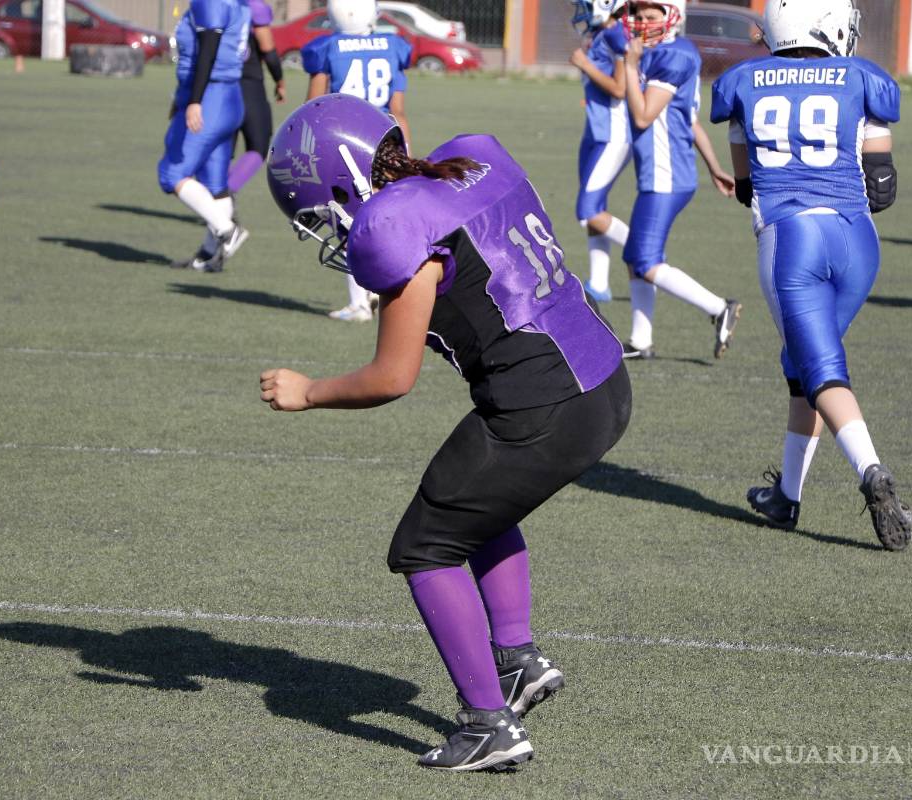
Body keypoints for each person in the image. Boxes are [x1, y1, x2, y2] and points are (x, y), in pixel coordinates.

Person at [261, 95, 633, 771]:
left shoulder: (391, 223)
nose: (328, 230)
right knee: (478, 503)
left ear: (341, 184)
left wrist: (308, 392)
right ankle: (516, 661)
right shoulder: (472, 158)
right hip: (603, 380)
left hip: (543, 405)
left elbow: (392, 376)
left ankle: (488, 723)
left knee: (426, 547)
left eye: (319, 214)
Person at [710, 0, 909, 550]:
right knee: (800, 364)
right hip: (857, 242)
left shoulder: (743, 81)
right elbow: (882, 187)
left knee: (820, 369)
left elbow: (747, 185)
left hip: (791, 239)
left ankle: (872, 471)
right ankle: (787, 497)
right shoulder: (861, 77)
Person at [619, 0, 741, 360]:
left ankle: (719, 308)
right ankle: (641, 341)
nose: (642, 23)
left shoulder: (672, 56)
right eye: (638, 16)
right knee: (634, 256)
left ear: (670, 16)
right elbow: (689, 121)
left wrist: (628, 66)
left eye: (651, 16)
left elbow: (642, 116)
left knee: (645, 261)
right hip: (666, 172)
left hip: (666, 175)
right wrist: (714, 166)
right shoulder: (672, 52)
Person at [302, 0, 410, 323]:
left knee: (346, 219)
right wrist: (405, 155)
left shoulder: (327, 47)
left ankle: (359, 302)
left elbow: (313, 107)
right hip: (383, 139)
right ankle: (381, 288)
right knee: (379, 215)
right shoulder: (393, 46)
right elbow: (399, 109)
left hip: (345, 141)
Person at [161, 0, 252, 273]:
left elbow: (208, 53)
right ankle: (209, 256)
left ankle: (227, 231)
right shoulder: (236, 4)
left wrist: (194, 100)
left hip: (211, 97)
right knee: (215, 183)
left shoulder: (210, 3)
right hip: (230, 96)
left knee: (171, 173)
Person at [568, 0, 631, 304]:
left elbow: (620, 88)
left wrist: (585, 65)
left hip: (613, 134)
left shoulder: (618, 34)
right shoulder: (602, 33)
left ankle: (643, 251)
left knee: (588, 212)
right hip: (595, 131)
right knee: (596, 209)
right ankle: (598, 282)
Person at [224, 0, 285, 196]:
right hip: (248, 84)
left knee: (223, 150)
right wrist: (279, 79)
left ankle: (215, 195)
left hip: (219, 85)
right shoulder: (254, 7)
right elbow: (268, 49)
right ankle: (224, 193)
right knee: (258, 147)